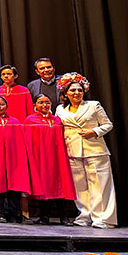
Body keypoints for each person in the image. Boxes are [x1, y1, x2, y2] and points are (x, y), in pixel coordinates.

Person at [55, 73, 116, 228]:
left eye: (80, 90)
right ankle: (84, 215)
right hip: (72, 151)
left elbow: (108, 125)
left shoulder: (93, 105)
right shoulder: (60, 110)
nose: (77, 93)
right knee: (79, 186)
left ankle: (102, 219)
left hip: (95, 150)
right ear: (66, 93)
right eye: (73, 90)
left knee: (99, 185)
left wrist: (94, 131)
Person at [24, 94, 77, 225]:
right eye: (41, 102)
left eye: (47, 102)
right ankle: (44, 216)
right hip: (40, 158)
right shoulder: (30, 121)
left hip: (57, 158)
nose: (44, 105)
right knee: (43, 185)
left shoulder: (57, 120)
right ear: (34, 105)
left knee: (61, 185)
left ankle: (64, 217)